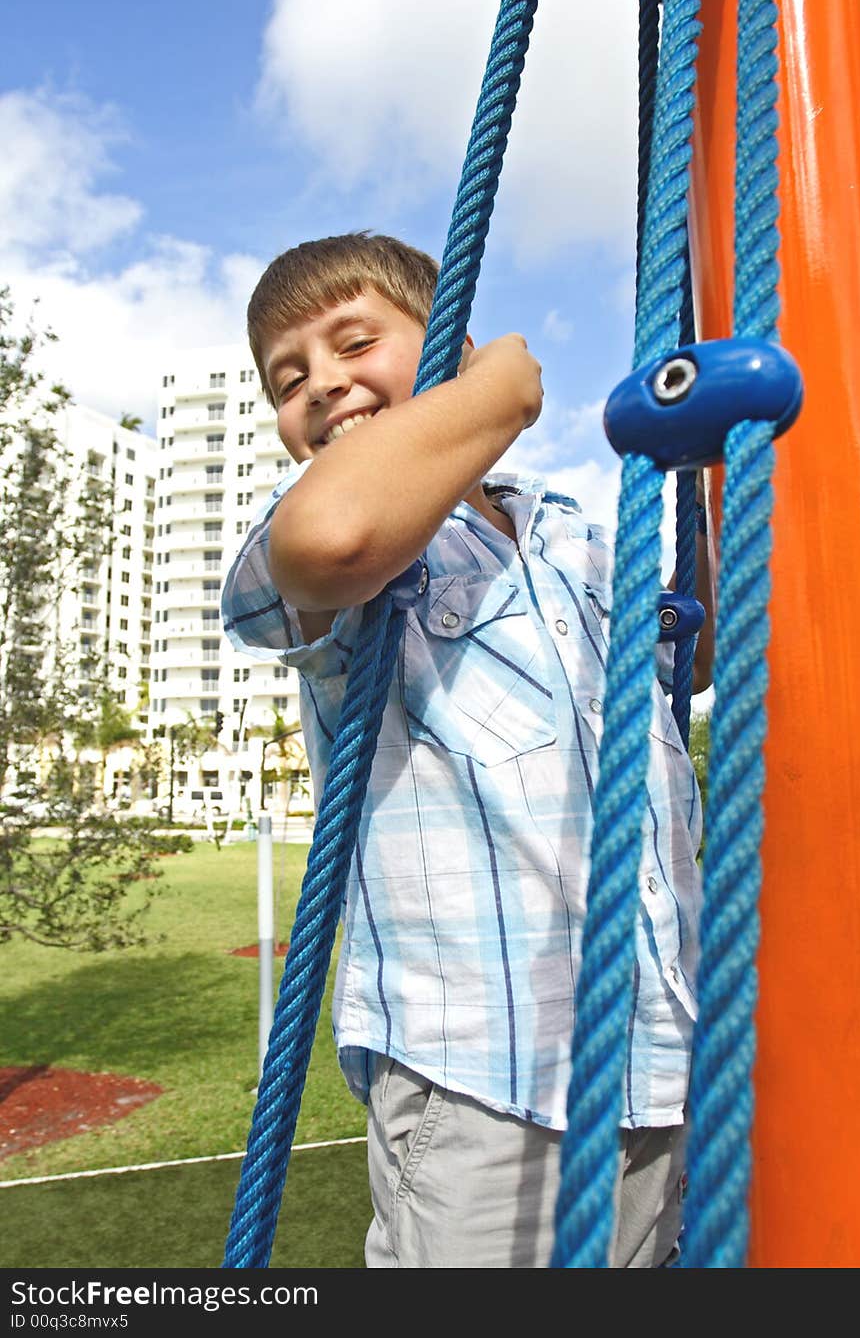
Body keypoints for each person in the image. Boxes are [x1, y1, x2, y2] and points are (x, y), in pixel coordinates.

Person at [222, 231, 714, 1268]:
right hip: (486, 1074)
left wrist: (713, 472)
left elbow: (697, 651)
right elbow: (332, 537)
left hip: (664, 1054)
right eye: (288, 377)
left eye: (356, 342)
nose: (323, 383)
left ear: (448, 344)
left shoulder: (569, 533)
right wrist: (501, 390)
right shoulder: (358, 551)